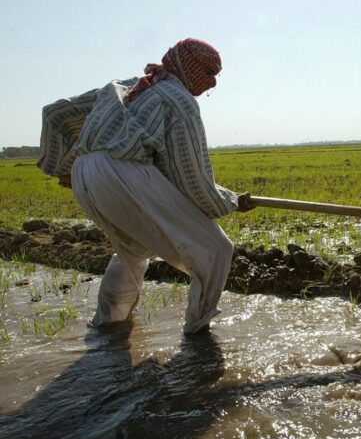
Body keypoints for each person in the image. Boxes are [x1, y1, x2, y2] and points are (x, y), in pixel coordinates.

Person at [37, 38, 253, 333]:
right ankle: (198, 332)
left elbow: (54, 113)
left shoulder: (123, 85)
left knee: (133, 248)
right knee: (216, 249)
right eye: (207, 73)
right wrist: (230, 202)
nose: (211, 84)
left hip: (85, 173)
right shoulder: (179, 101)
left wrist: (65, 169)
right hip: (121, 174)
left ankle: (108, 323)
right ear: (188, 69)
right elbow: (192, 180)